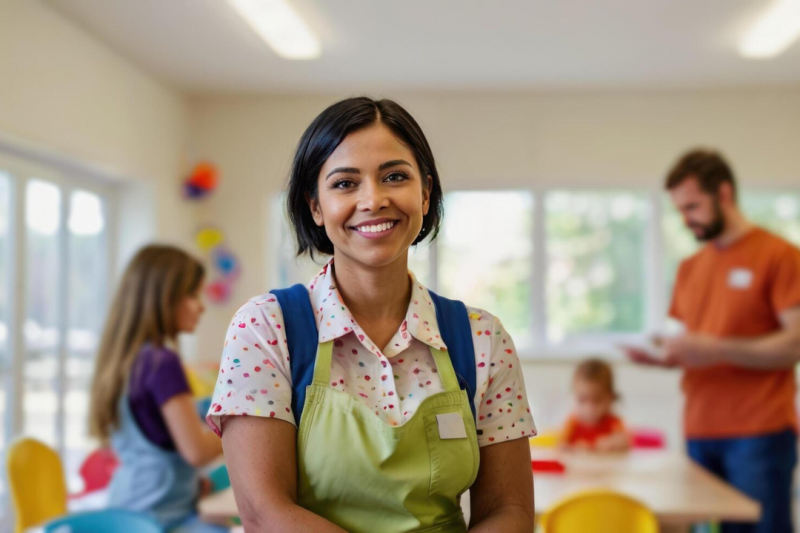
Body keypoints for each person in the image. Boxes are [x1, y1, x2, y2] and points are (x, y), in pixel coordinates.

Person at [206, 97, 537, 532]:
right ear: (315, 207)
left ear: (424, 193)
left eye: (394, 176)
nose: (373, 199)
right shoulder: (267, 329)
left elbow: (509, 511)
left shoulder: (482, 339)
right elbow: (265, 513)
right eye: (345, 183)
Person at [624, 149, 800, 533]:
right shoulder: (690, 268)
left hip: (760, 431)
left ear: (723, 193)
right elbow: (695, 347)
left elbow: (795, 344)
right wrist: (664, 358)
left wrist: (716, 348)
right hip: (700, 430)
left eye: (693, 207)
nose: (686, 220)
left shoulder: (779, 256)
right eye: (680, 211)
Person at [89, 245, 227, 533]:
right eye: (193, 295)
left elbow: (155, 440)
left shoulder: (126, 360)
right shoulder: (162, 363)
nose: (201, 306)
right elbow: (197, 453)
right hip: (154, 519)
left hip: (124, 508)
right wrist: (240, 422)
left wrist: (191, 484)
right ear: (164, 298)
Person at [560, 358, 629, 452]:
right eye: (582, 400)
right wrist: (573, 449)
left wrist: (612, 443)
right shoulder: (572, 423)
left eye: (597, 400)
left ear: (610, 398)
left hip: (607, 466)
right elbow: (559, 447)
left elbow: (626, 443)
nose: (589, 408)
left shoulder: (613, 423)